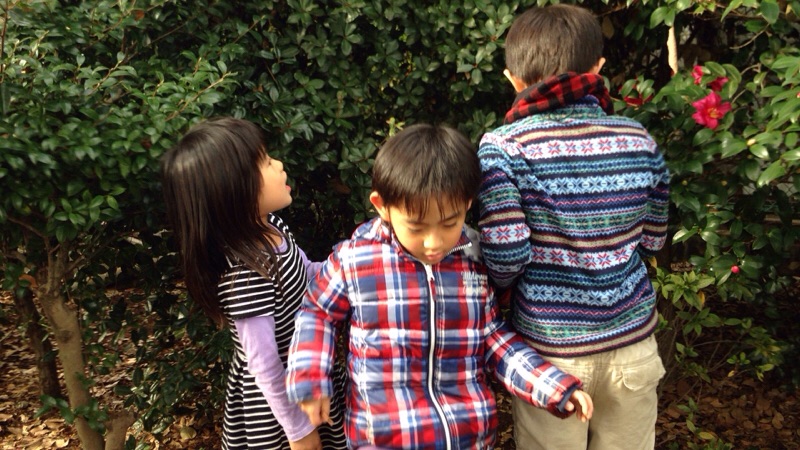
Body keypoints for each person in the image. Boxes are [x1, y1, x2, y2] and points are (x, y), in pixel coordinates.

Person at [285, 123, 593, 450]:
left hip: (469, 437)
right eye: (416, 227)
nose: (433, 243)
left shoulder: (472, 260)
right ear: (381, 204)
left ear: (467, 203)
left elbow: (492, 337)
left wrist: (552, 386)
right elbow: (317, 314)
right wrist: (310, 377)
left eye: (449, 224)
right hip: (387, 438)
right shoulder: (354, 260)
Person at [476, 4, 671, 450]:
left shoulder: (504, 147)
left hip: (551, 356)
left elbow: (506, 256)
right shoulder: (640, 139)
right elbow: (654, 239)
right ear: (598, 68)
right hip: (632, 343)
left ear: (512, 80)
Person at [160, 117, 348, 450]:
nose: (279, 164)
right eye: (265, 162)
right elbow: (264, 364)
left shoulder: (271, 228)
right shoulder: (245, 273)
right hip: (280, 405)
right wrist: (298, 430)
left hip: (308, 369)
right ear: (233, 190)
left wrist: (352, 264)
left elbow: (308, 273)